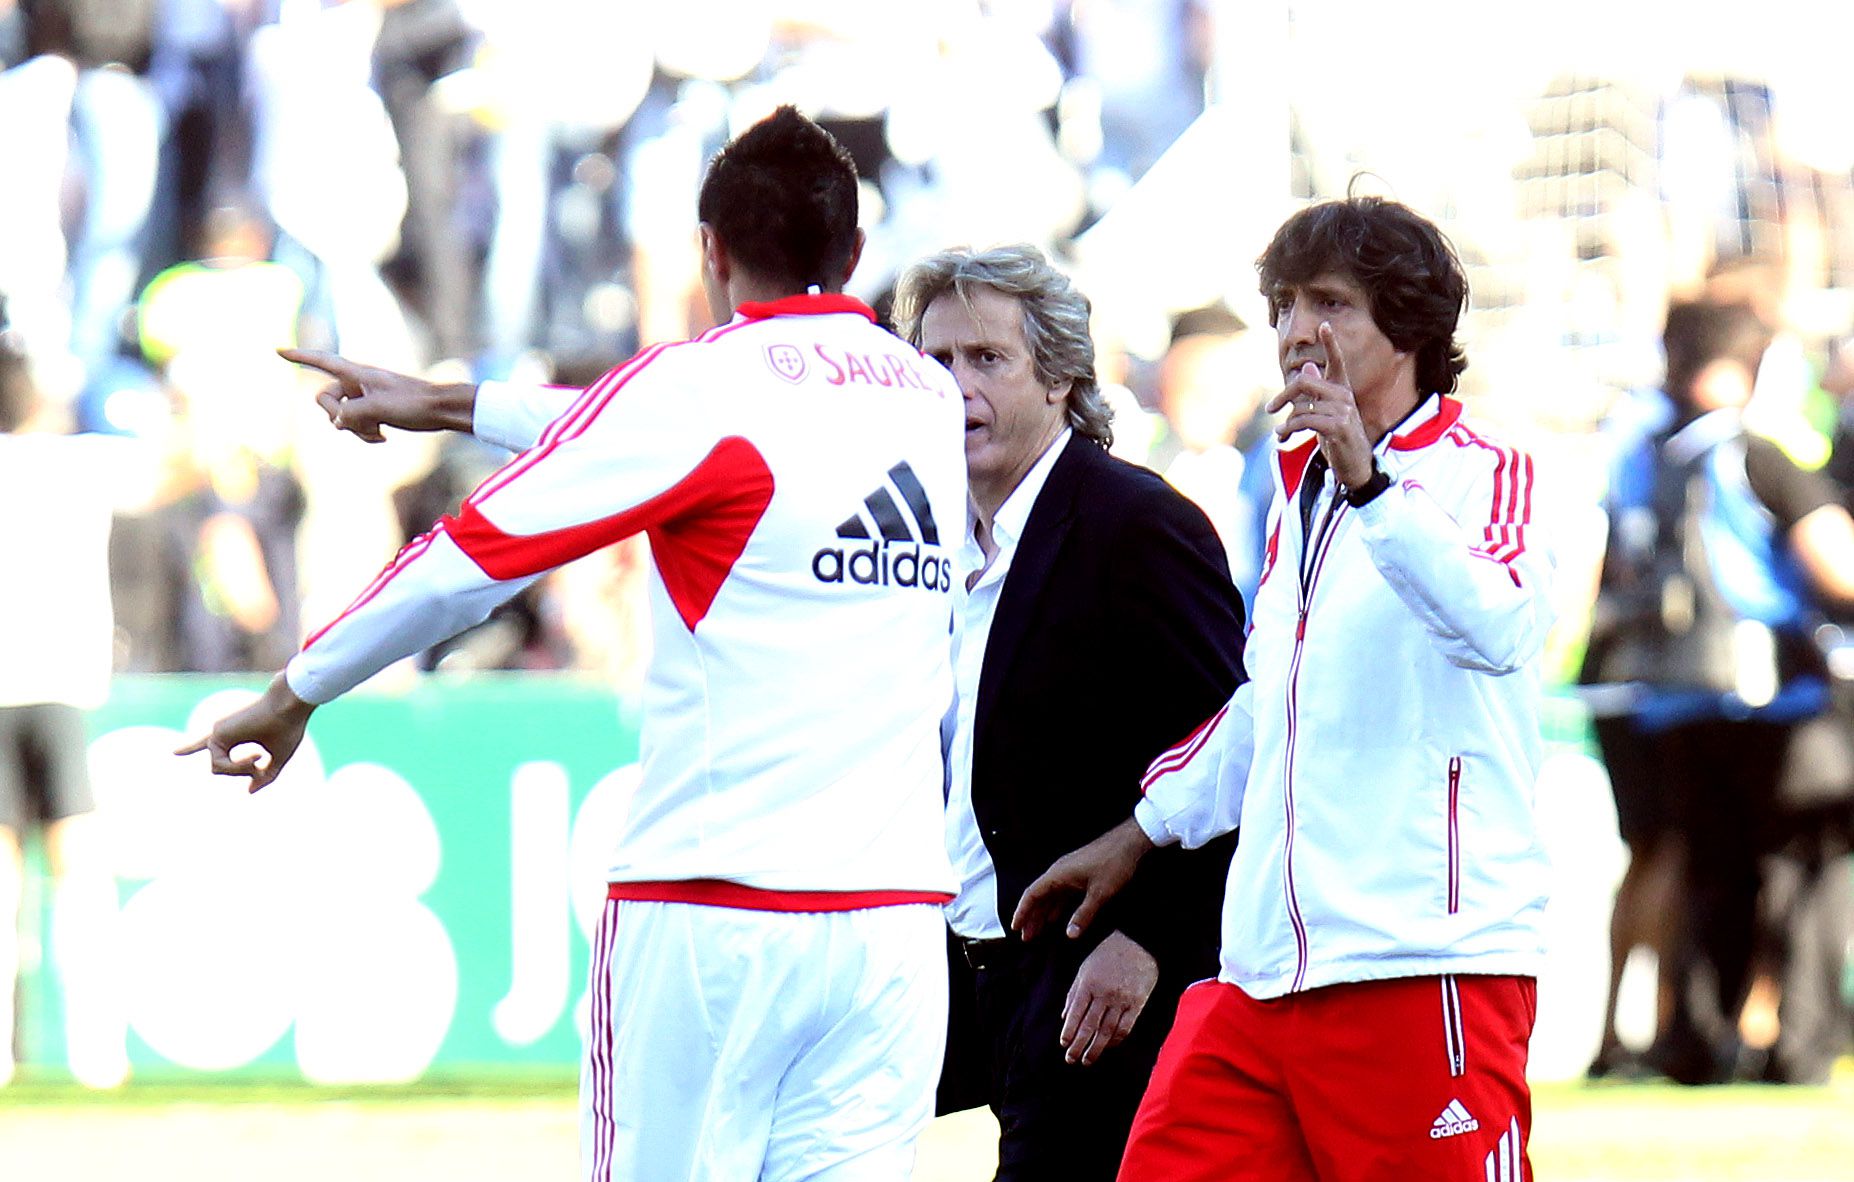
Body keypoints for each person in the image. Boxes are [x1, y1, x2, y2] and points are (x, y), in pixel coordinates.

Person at [179, 107, 968, 1181]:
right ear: (857, 252)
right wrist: (460, 404)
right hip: (891, 929)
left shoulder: (700, 386)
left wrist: (298, 687)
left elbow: (471, 556)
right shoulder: (924, 397)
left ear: (710, 250)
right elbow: (667, 432)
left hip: (712, 911)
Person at [1013, 196, 1556, 1180]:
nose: (1300, 329)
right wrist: (1143, 832)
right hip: (1261, 978)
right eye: (1287, 304)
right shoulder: (1301, 493)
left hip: (1422, 966)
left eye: (1334, 303)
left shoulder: (1490, 472)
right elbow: (1267, 701)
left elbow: (1502, 628)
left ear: (1411, 326)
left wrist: (1367, 480)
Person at [891, 245, 1243, 1178]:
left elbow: (1232, 757)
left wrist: (1151, 940)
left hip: (1092, 980)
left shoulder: (1137, 525)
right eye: (933, 362)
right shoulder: (913, 534)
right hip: (950, 967)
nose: (954, 385)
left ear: (1060, 377)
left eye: (985, 359)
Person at [1584, 300, 1854, 1085]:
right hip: (1771, 701)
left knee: (1704, 871)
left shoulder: (1637, 453)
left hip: (1668, 698)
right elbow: (1835, 566)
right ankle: (1791, 1044)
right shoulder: (1753, 454)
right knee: (1799, 866)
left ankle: (1697, 1042)